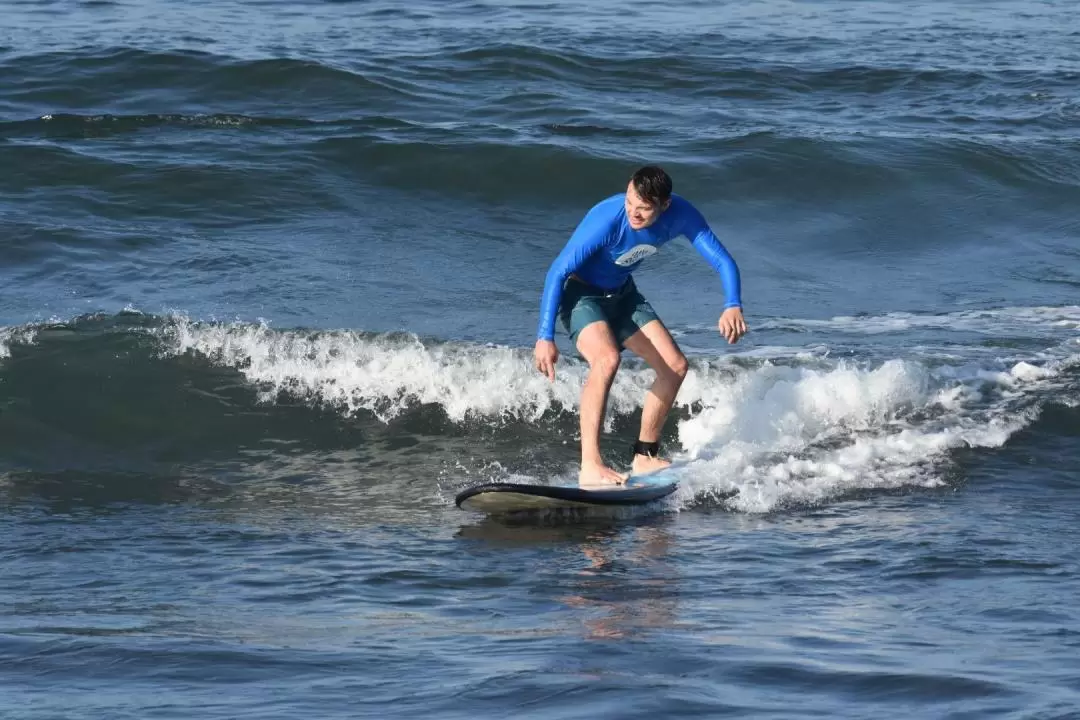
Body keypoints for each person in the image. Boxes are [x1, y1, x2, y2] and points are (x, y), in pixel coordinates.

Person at [533, 166, 747, 487]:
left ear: (664, 205)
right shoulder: (608, 218)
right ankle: (590, 465)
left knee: (674, 366)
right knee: (606, 359)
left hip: (623, 295)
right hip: (581, 296)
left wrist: (732, 304)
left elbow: (722, 260)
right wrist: (544, 337)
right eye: (631, 201)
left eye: (644, 208)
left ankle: (645, 455)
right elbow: (558, 271)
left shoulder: (682, 214)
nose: (633, 212)